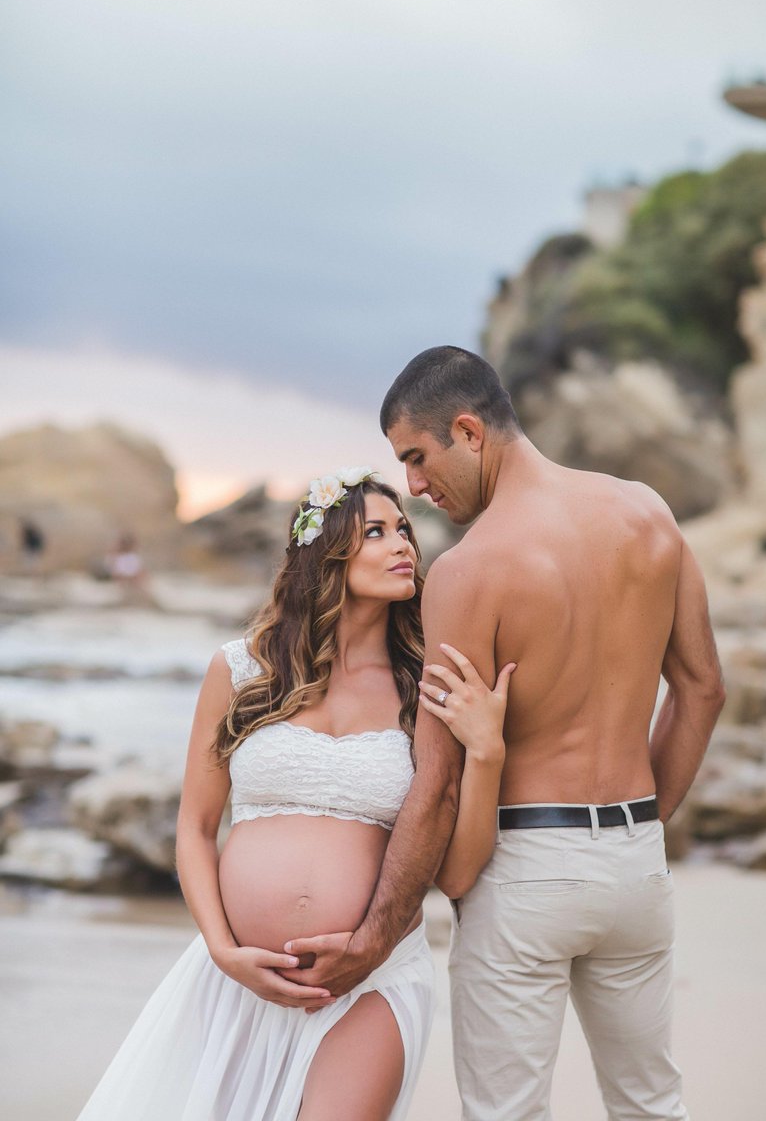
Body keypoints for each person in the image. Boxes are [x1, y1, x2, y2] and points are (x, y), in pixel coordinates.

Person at [286, 348, 726, 1121]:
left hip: (525, 872)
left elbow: (441, 778)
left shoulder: (470, 571)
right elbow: (702, 689)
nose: (416, 486)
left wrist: (375, 937)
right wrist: (641, 827)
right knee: (653, 1104)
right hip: (635, 869)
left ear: (469, 429)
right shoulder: (648, 514)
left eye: (419, 459)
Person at [75, 467, 509, 1121]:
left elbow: (458, 871)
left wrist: (489, 754)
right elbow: (195, 829)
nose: (403, 548)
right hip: (235, 983)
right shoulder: (241, 669)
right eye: (376, 532)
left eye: (404, 532)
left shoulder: (427, 687)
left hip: (372, 982)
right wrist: (224, 951)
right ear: (326, 550)